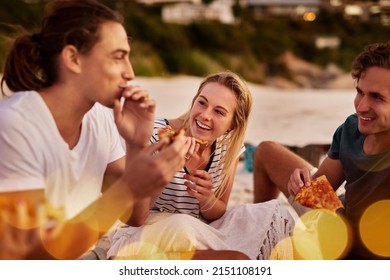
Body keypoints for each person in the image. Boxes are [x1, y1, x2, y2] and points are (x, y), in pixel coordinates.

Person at [0, 0, 190, 260]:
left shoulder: (99, 117)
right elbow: (26, 256)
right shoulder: (15, 125)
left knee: (233, 260)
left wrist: (136, 143)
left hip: (86, 258)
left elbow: (134, 216)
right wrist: (128, 187)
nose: (130, 73)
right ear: (74, 58)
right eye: (118, 57)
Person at [107, 71, 295, 260]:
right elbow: (134, 212)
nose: (205, 115)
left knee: (267, 213)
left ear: (232, 125)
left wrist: (207, 199)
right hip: (149, 230)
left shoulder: (227, 150)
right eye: (202, 102)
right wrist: (166, 170)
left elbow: (218, 211)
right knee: (184, 225)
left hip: (199, 230)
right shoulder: (154, 135)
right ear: (194, 101)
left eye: (219, 112)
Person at [253, 42, 390, 259]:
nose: (362, 106)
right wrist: (303, 180)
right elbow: (319, 186)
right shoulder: (351, 129)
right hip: (337, 222)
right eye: (359, 92)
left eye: (377, 97)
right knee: (266, 152)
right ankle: (257, 236)